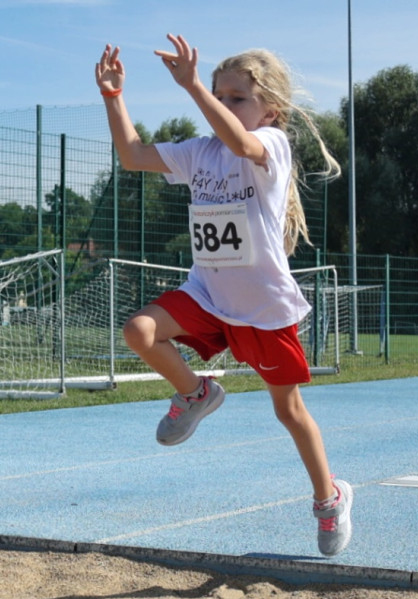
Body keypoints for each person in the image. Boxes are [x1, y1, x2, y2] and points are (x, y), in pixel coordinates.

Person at [95, 34, 352, 557]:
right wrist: (113, 97)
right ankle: (195, 393)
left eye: (238, 98)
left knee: (289, 413)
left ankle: (330, 498)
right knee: (138, 331)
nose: (225, 105)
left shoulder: (270, 148)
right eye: (220, 93)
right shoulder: (200, 153)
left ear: (271, 110)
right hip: (209, 294)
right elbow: (131, 155)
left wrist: (193, 87)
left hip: (263, 305)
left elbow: (241, 142)